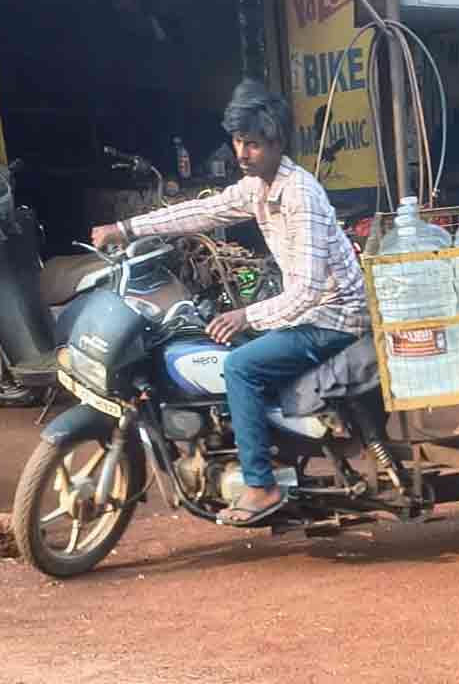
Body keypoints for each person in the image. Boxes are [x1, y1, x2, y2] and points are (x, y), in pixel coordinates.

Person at [91, 79, 369, 526]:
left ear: (277, 142)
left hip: (335, 318)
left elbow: (310, 291)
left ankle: (260, 485)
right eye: (238, 142)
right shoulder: (258, 186)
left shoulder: (301, 196)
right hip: (311, 311)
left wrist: (247, 315)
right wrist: (126, 229)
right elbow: (201, 212)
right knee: (218, 341)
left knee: (240, 366)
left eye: (253, 144)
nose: (242, 154)